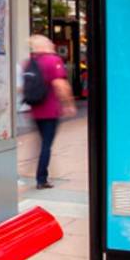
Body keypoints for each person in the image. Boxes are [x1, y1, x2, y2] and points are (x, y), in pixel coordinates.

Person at [23, 35, 76, 189]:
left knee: (42, 143)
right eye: (48, 41)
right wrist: (69, 103)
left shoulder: (30, 62)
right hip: (50, 112)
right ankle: (41, 179)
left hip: (35, 111)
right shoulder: (53, 60)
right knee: (46, 145)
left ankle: (39, 172)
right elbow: (60, 85)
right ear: (45, 45)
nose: (52, 43)